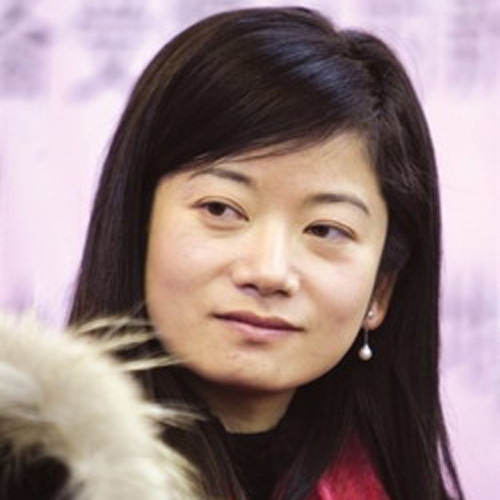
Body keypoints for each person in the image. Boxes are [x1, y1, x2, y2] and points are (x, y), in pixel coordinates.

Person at [67, 6, 465, 500]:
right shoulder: (37, 471)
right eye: (221, 208)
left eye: (326, 229)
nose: (268, 271)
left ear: (380, 290)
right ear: (136, 225)